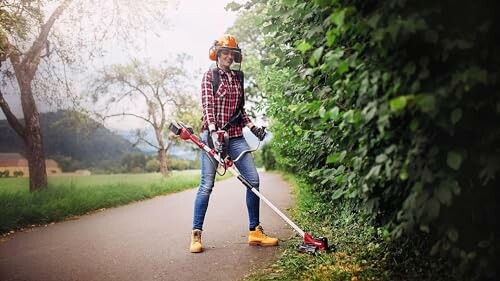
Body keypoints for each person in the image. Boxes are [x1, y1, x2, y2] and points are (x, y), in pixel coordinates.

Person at [190, 34, 278, 253]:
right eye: (225, 52)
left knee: (253, 180)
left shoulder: (238, 78)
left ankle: (255, 232)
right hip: (213, 136)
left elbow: (240, 111)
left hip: (237, 136)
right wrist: (213, 133)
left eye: (232, 53)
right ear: (217, 54)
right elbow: (208, 109)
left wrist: (252, 127)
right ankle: (196, 235)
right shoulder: (209, 77)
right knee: (206, 185)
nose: (229, 56)